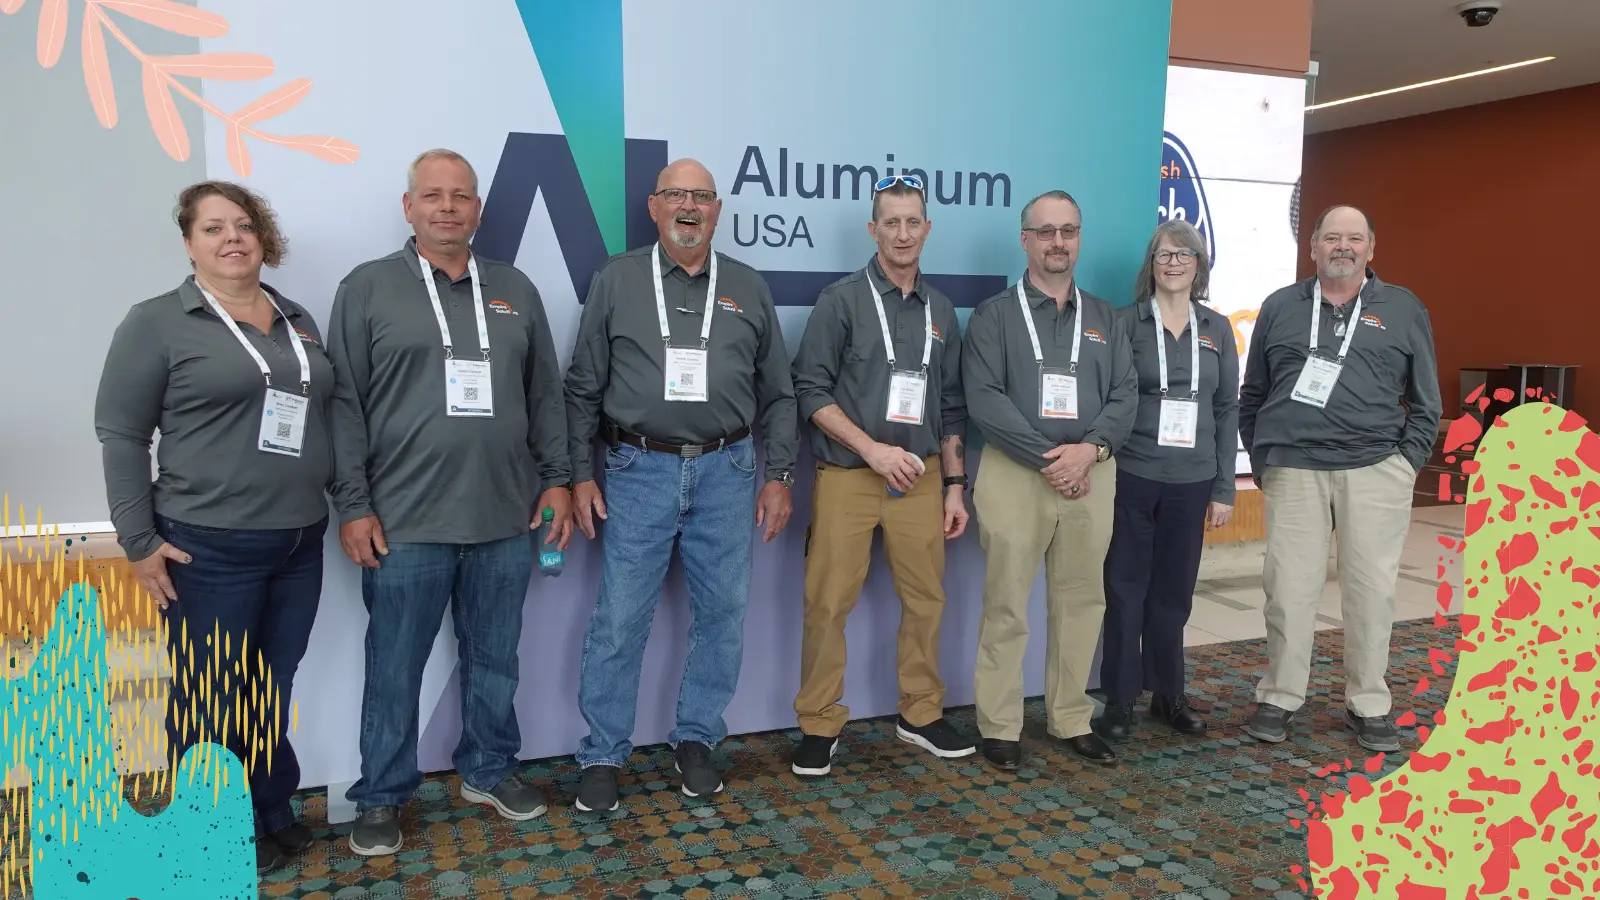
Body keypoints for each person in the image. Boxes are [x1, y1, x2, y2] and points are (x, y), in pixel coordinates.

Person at [326, 149, 573, 856]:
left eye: (460, 197)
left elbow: (544, 393)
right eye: (432, 196)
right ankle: (381, 796)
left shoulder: (515, 289)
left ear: (478, 210)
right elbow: (344, 405)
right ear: (409, 207)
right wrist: (353, 504)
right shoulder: (369, 287)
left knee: (495, 657)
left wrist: (556, 477)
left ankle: (489, 769)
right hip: (403, 523)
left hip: (503, 518)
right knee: (394, 666)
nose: (447, 208)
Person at [94, 181, 333, 872]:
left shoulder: (294, 317)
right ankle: (209, 823)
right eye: (213, 228)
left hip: (297, 539)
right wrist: (138, 540)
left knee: (269, 683)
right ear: (189, 243)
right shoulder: (157, 321)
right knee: (210, 691)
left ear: (264, 237)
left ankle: (268, 804)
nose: (232, 237)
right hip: (207, 544)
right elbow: (120, 434)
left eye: (243, 225)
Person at [565, 158, 798, 812]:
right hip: (638, 470)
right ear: (654, 205)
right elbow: (582, 389)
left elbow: (779, 395)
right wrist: (580, 473)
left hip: (730, 469)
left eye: (700, 196)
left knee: (722, 615)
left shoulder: (748, 287)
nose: (689, 207)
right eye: (676, 195)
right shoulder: (617, 279)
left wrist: (778, 475)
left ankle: (697, 736)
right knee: (620, 618)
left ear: (717, 210)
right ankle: (603, 752)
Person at [787, 175, 974, 777]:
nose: (902, 233)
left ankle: (919, 713)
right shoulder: (841, 301)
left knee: (927, 601)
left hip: (919, 479)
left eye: (912, 221)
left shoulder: (941, 310)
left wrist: (952, 484)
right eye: (890, 222)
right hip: (850, 474)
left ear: (927, 228)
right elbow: (809, 390)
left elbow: (949, 405)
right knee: (827, 603)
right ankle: (819, 722)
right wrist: (871, 450)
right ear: (873, 230)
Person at [1238, 205, 1440, 752]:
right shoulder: (1281, 307)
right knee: (1287, 590)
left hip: (1375, 470)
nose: (1342, 247)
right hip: (1295, 471)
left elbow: (1426, 401)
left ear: (1371, 248)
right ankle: (1280, 696)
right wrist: (1265, 459)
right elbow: (1252, 394)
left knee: (1371, 593)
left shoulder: (1401, 308)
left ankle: (1369, 703)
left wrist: (1404, 465)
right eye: (1332, 237)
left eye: (1354, 238)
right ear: (1314, 247)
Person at [962, 190, 1137, 770]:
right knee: (1007, 603)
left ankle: (1069, 718)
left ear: (1079, 238)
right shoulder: (994, 317)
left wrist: (1088, 451)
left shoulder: (1106, 318)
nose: (1057, 242)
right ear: (1026, 240)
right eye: (1046, 232)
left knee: (1082, 600)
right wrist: (1050, 458)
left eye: (1068, 231)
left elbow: (1124, 396)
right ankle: (1000, 725)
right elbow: (985, 399)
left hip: (1092, 473)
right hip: (1016, 472)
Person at [1093, 220, 1238, 742]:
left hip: (1194, 478)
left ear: (1199, 264)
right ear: (1150, 264)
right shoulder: (1124, 323)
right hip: (1133, 471)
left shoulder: (1217, 328)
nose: (1174, 262)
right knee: (1126, 588)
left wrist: (1224, 487)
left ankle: (1168, 694)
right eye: (1163, 254)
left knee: (1173, 593)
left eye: (1184, 254)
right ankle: (1120, 698)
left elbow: (1226, 410)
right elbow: (1108, 395)